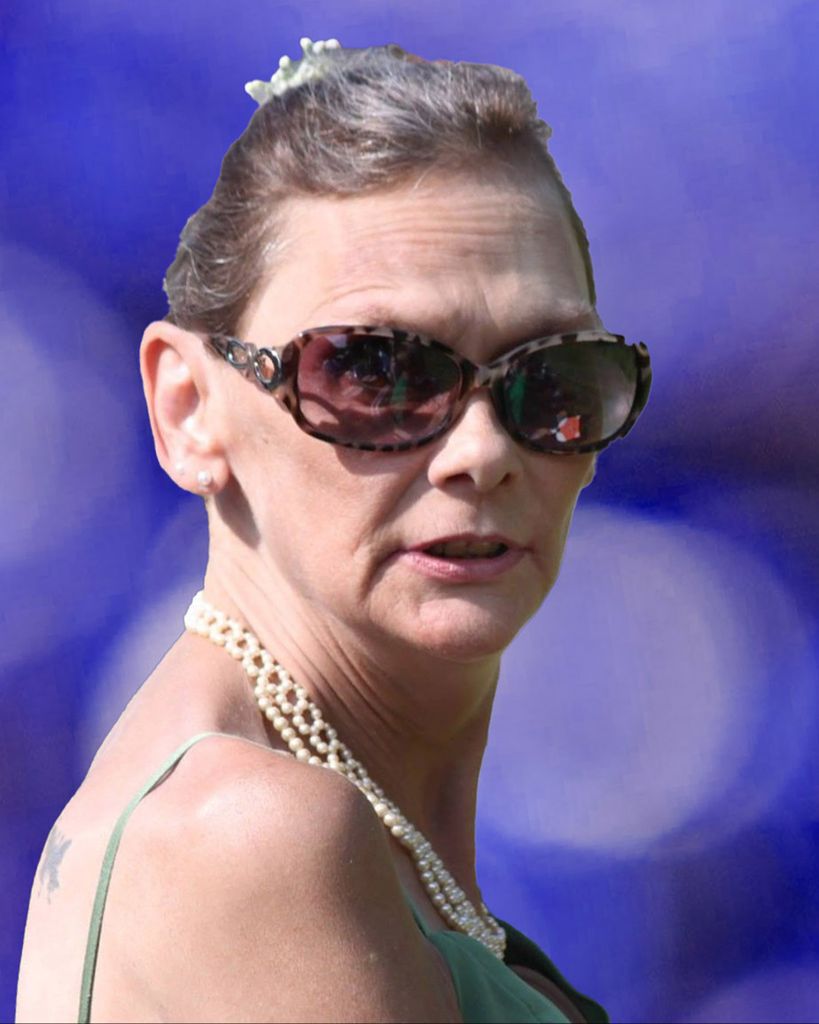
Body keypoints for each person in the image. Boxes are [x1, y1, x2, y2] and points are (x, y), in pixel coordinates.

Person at [16, 38, 650, 1023]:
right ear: (189, 408)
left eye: (555, 375)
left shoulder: (337, 823)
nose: (482, 452)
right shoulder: (251, 835)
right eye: (374, 370)